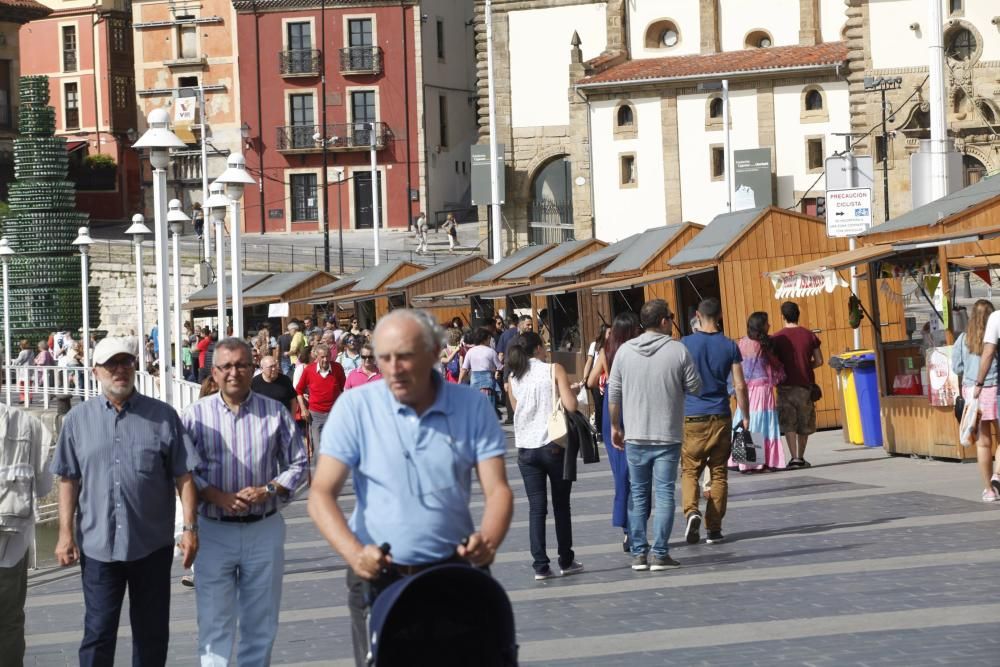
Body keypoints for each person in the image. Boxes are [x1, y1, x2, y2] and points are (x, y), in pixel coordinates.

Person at [306, 309, 513, 667]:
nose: (393, 368)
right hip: (379, 574)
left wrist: (489, 540)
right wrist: (355, 555)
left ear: (434, 353)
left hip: (455, 571)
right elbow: (321, 494)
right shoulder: (355, 408)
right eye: (384, 358)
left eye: (405, 356)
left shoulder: (472, 406)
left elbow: (498, 490)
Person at [52, 337, 199, 666]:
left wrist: (190, 528)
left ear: (135, 365)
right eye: (110, 364)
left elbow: (184, 475)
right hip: (98, 547)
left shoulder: (163, 416)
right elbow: (68, 479)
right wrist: (65, 534)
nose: (119, 370)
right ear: (95, 371)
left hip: (151, 546)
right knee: (98, 632)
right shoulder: (77, 421)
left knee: (152, 634)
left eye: (126, 362)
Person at [183, 338, 308, 666]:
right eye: (226, 366)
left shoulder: (274, 412)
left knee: (260, 625)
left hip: (263, 529)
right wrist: (214, 495)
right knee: (213, 622)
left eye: (241, 365)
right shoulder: (195, 416)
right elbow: (181, 471)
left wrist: (270, 489)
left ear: (253, 369)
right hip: (213, 530)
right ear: (214, 372)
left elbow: (299, 464)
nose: (233, 372)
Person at [608, 300, 700, 571]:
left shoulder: (624, 351)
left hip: (635, 435)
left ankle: (639, 554)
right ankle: (660, 553)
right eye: (671, 317)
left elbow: (614, 392)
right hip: (667, 435)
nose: (672, 321)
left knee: (638, 496)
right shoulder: (678, 350)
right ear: (663, 321)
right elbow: (695, 386)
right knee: (664, 495)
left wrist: (615, 426)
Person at [506, 331, 583, 581]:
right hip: (553, 445)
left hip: (526, 450)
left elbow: (518, 410)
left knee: (536, 508)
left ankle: (540, 565)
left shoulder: (513, 376)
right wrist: (570, 393)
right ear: (539, 348)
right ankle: (566, 559)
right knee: (562, 505)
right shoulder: (554, 369)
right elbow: (571, 406)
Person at [680, 298, 748, 546]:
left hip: (692, 415)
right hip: (720, 414)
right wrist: (746, 415)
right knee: (718, 472)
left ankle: (691, 512)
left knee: (690, 470)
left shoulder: (685, 344)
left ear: (697, 315)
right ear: (719, 315)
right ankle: (714, 529)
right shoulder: (730, 346)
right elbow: (739, 384)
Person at [0, 403, 52, 663]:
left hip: (13, 548)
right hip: (11, 546)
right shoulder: (30, 425)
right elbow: (43, 487)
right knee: (9, 622)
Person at [587, 313, 641, 550]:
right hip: (634, 401)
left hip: (612, 403)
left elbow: (589, 382)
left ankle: (627, 528)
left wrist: (606, 378)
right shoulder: (637, 350)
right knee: (638, 469)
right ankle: (636, 525)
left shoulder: (606, 350)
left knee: (620, 471)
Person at [730, 312, 786, 473]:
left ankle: (743, 459)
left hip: (745, 389)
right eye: (767, 323)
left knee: (745, 419)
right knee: (762, 423)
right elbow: (775, 366)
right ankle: (759, 461)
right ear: (761, 326)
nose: (769, 325)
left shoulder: (742, 342)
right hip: (762, 389)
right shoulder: (765, 344)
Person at [772, 301, 823, 468]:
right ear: (798, 314)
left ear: (783, 316)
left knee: (788, 423)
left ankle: (793, 457)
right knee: (804, 422)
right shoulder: (809, 335)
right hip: (804, 386)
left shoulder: (777, 338)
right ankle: (801, 457)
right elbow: (820, 360)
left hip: (785, 386)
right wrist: (807, 366)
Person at [958, 300, 1000, 501]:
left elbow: (956, 366)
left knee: (983, 443)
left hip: (974, 392)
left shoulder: (964, 339)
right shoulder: (995, 337)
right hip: (995, 388)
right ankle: (997, 475)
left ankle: (989, 490)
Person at [296, 343, 347, 451]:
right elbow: (298, 390)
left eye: (328, 356)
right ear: (316, 357)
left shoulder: (337, 368)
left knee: (335, 448)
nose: (325, 359)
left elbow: (344, 389)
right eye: (322, 357)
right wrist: (303, 409)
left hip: (334, 414)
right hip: (315, 415)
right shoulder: (309, 370)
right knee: (318, 449)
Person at [498, 315, 532, 424]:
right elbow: (508, 360)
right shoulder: (513, 342)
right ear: (521, 325)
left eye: (531, 324)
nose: (530, 327)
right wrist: (505, 380)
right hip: (518, 375)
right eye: (528, 324)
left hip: (532, 375)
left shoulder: (534, 339)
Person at [458, 327, 501, 409]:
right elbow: (499, 366)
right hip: (488, 382)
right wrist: (498, 371)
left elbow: (464, 369)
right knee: (489, 406)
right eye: (489, 338)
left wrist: (459, 382)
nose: (490, 340)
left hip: (475, 381)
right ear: (485, 339)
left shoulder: (470, 351)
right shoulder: (491, 351)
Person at [582, 324, 609, 436]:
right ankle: (600, 431)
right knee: (599, 405)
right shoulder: (594, 345)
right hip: (596, 379)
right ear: (603, 333)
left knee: (606, 404)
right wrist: (585, 377)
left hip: (606, 378)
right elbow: (589, 362)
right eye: (609, 332)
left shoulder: (612, 345)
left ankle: (606, 429)